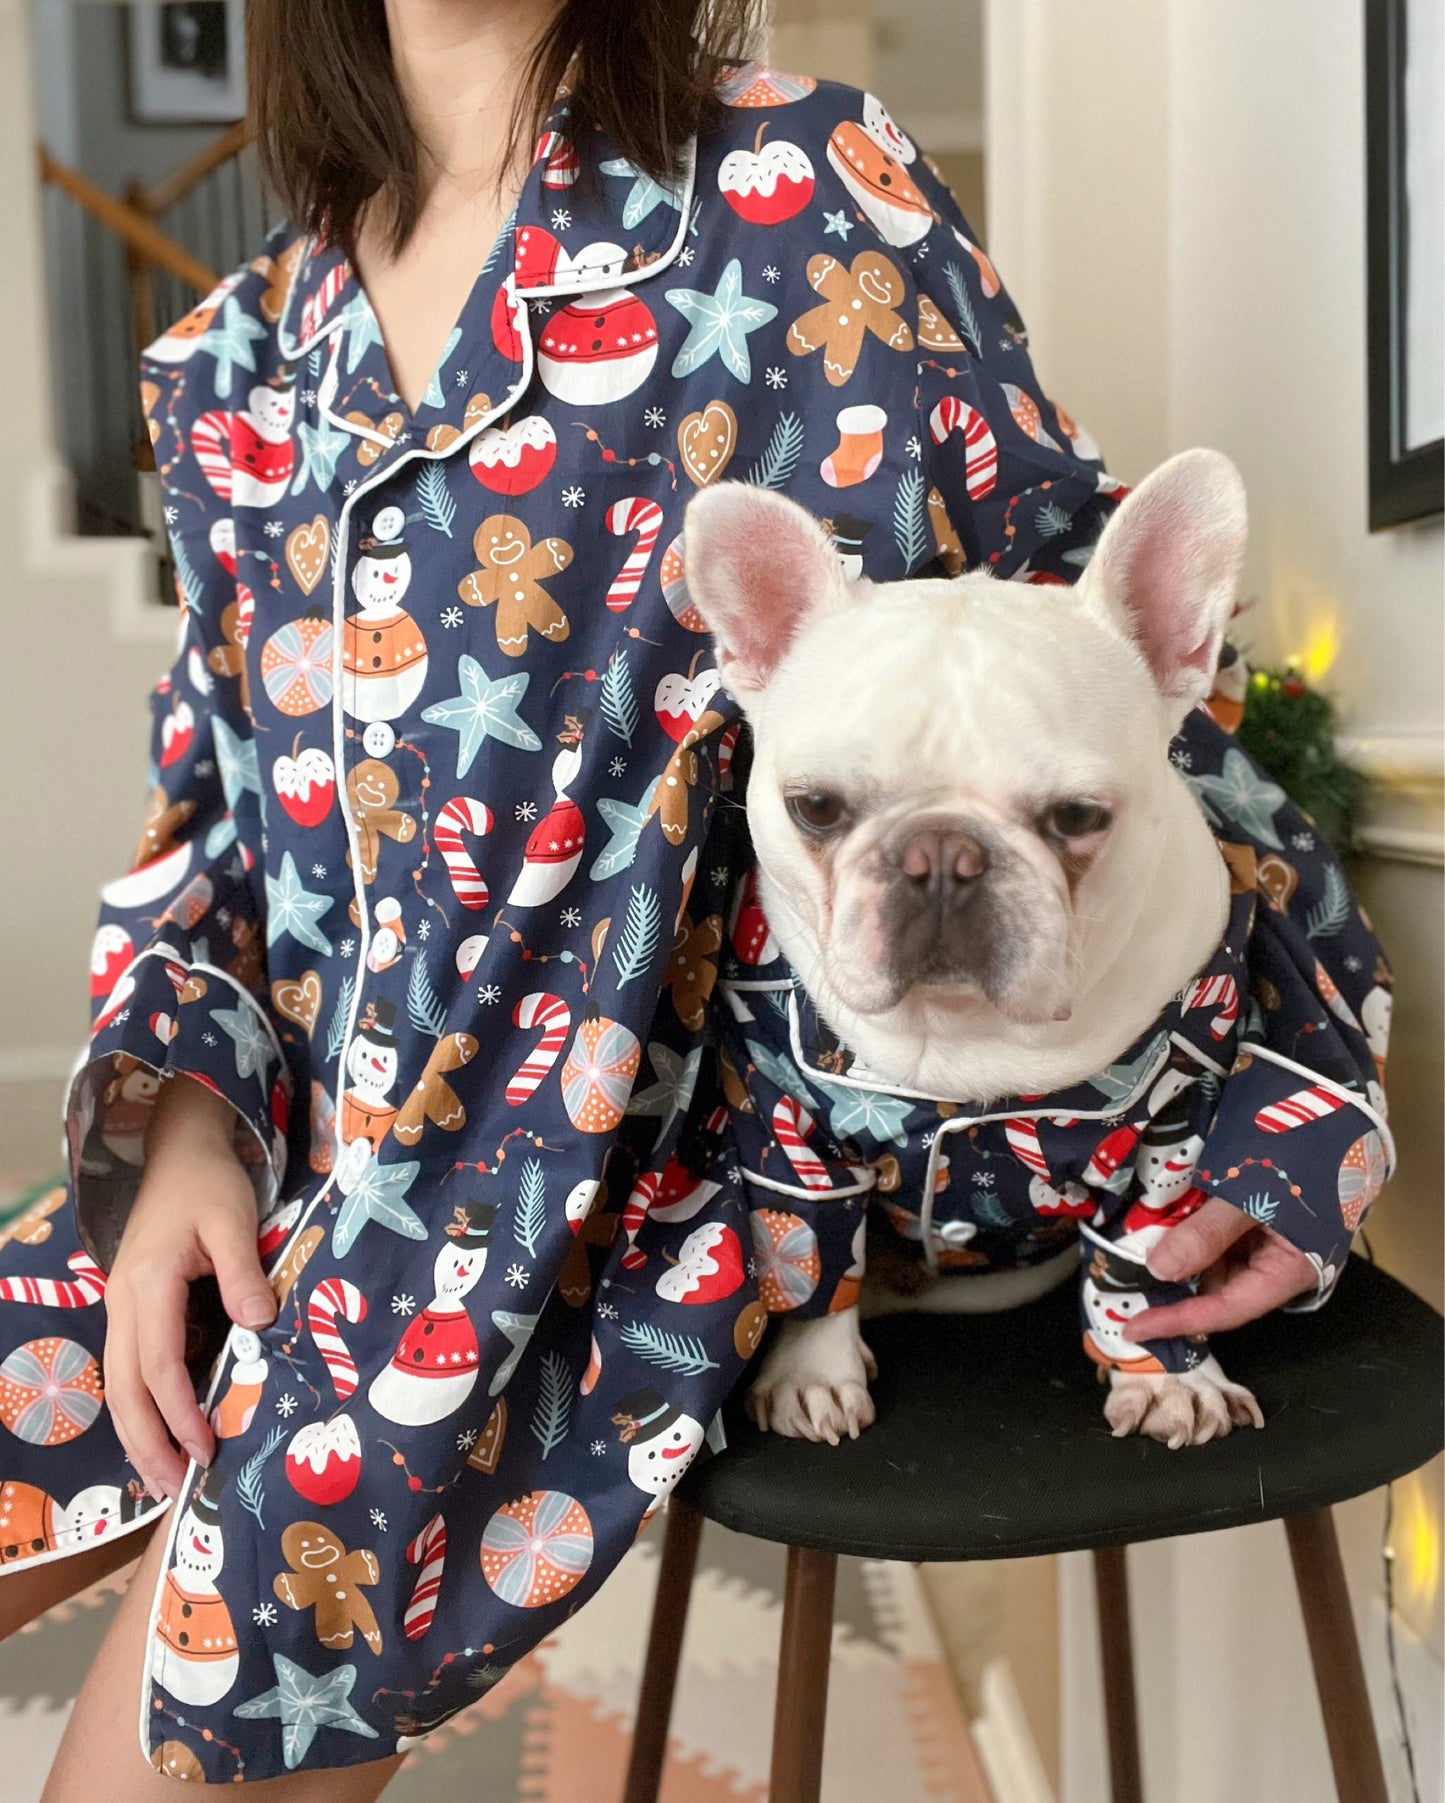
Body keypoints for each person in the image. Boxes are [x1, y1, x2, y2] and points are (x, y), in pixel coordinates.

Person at [0, 0, 1392, 1793]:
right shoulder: (237, 363)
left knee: (175, 1735)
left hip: (572, 1193)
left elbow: (1096, 687)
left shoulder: (798, 188)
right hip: (271, 1138)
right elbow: (205, 821)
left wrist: (1298, 1082)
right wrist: (184, 1131)